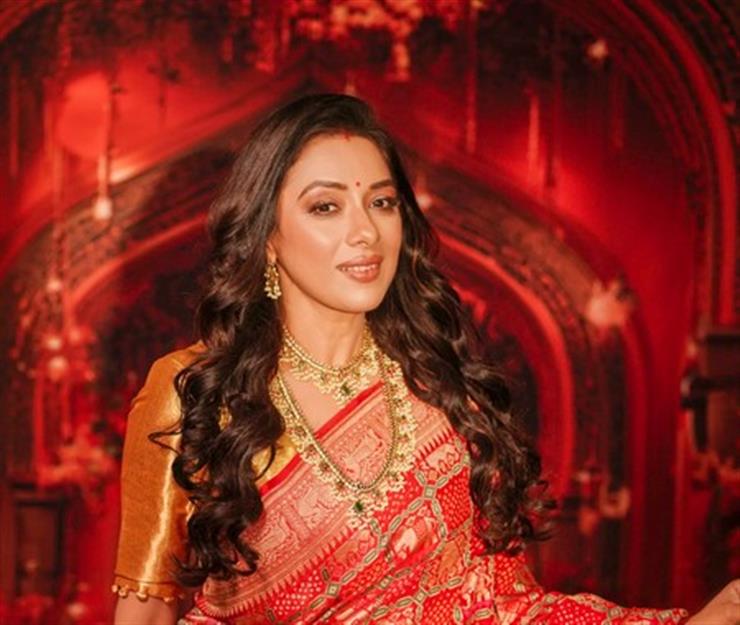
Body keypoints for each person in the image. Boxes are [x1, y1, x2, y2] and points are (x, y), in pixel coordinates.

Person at [111, 93, 739, 625]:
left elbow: (502, 607)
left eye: (382, 202)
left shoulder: (440, 387)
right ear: (267, 235)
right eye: (326, 206)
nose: (365, 231)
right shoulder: (196, 392)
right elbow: (145, 612)